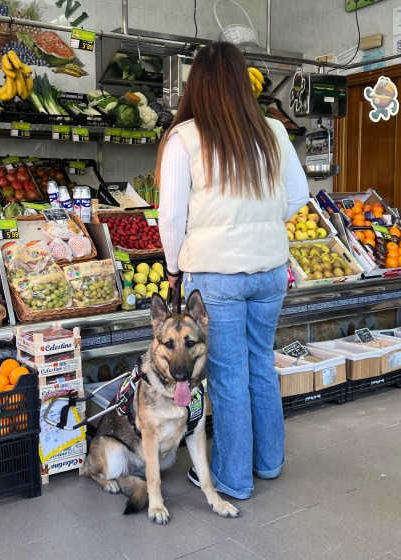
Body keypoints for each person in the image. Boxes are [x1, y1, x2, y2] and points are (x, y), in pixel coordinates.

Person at [156, 42, 310, 501]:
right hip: (270, 269)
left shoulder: (184, 138)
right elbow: (298, 197)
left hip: (216, 272)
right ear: (244, 83)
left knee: (227, 376)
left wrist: (172, 267)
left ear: (197, 84)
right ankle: (269, 462)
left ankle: (233, 478)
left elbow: (171, 217)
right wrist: (261, 225)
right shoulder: (273, 131)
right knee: (260, 362)